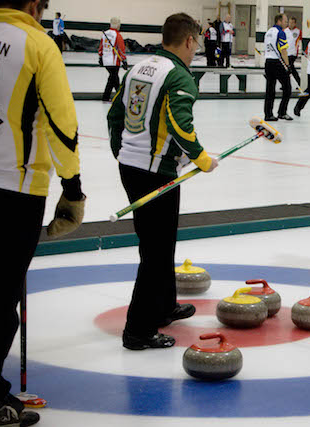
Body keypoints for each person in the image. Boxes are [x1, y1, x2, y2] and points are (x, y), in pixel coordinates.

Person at [0, 1, 86, 426]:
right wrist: (73, 189)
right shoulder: (37, 44)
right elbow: (61, 123)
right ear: (32, 5)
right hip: (14, 190)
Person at [107, 13, 219, 350]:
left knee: (162, 239)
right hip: (154, 173)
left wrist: (123, 153)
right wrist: (202, 159)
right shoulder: (181, 77)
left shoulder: (139, 67)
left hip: (134, 166)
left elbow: (115, 114)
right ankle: (139, 330)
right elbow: (181, 125)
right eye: (196, 42)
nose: (196, 48)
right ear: (188, 40)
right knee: (155, 251)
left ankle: (164, 305)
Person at [263, 13, 293, 121]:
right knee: (287, 88)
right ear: (279, 21)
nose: (286, 23)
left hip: (268, 63)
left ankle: (268, 114)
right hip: (277, 63)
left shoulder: (268, 32)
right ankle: (282, 112)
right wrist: (288, 65)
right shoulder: (281, 32)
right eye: (285, 21)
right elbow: (283, 51)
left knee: (270, 90)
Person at [98, 17, 128, 102]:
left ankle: (111, 97)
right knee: (113, 79)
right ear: (118, 25)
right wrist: (124, 60)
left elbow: (101, 47)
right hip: (114, 62)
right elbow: (121, 49)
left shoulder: (105, 34)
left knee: (113, 78)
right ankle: (117, 97)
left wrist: (100, 57)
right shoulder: (117, 35)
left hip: (105, 60)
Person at [285, 16, 302, 86]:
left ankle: (286, 84)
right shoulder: (285, 31)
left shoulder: (298, 31)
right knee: (290, 68)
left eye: (292, 23)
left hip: (293, 53)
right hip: (286, 53)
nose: (290, 24)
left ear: (295, 23)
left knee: (290, 68)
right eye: (289, 22)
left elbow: (302, 40)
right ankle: (298, 83)